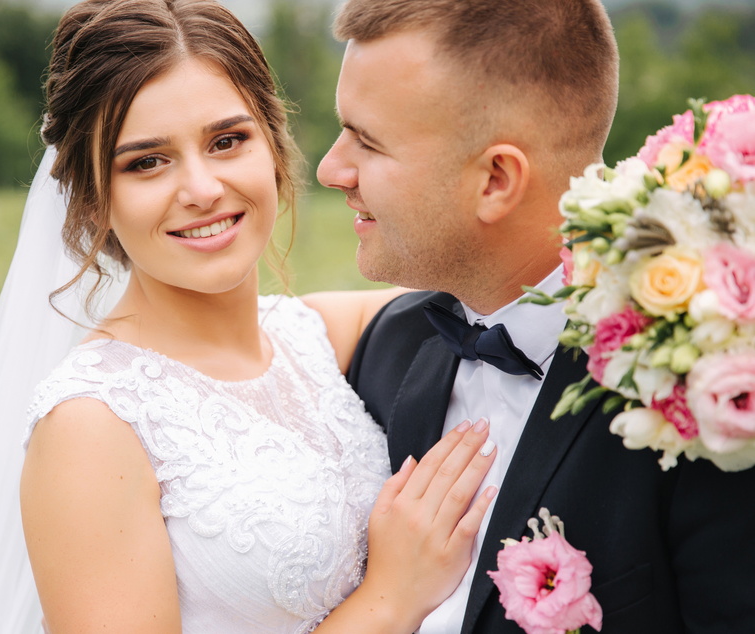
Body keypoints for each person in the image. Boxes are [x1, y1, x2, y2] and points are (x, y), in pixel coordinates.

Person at [0, 1, 498, 633]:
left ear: (274, 145)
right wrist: (392, 597)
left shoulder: (315, 333)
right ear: (93, 200)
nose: (202, 188)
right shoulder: (91, 426)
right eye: (147, 161)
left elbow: (506, 288)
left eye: (227, 141)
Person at [313, 0, 755, 632]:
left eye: (368, 142)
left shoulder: (711, 399)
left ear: (496, 178)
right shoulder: (391, 345)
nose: (332, 169)